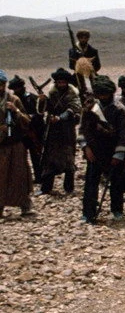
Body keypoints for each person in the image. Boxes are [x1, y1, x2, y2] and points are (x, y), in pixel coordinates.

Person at [77, 75, 125, 223]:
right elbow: (82, 130)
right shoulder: (89, 109)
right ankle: (88, 213)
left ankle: (117, 210)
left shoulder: (120, 109)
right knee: (91, 183)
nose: (103, 97)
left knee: (116, 182)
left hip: (113, 150)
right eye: (100, 94)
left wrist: (118, 154)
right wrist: (86, 148)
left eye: (105, 94)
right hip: (94, 151)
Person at [37, 67, 81, 196]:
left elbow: (72, 109)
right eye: (59, 82)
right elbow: (43, 110)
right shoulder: (52, 93)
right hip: (53, 131)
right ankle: (46, 188)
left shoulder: (72, 94)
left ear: (67, 82)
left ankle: (69, 188)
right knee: (49, 158)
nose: (61, 84)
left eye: (63, 82)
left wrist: (60, 118)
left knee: (68, 158)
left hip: (67, 130)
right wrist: (42, 100)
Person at [0, 69, 34, 217]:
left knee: (19, 175)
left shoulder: (14, 100)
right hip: (1, 145)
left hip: (15, 144)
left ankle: (25, 205)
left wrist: (16, 111)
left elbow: (27, 121)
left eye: (2, 84)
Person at [7, 75, 45, 183]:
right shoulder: (13, 100)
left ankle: (39, 177)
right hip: (21, 132)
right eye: (15, 89)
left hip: (34, 131)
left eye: (18, 88)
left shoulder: (32, 98)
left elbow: (39, 114)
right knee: (20, 157)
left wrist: (31, 123)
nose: (16, 90)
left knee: (36, 156)